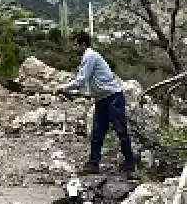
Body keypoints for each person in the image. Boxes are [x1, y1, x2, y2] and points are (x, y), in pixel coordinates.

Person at [57, 31, 136, 176]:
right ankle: (93, 163)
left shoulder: (90, 56)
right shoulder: (88, 57)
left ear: (83, 44)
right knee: (97, 133)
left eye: (76, 44)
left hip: (113, 97)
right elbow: (84, 81)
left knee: (121, 131)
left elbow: (81, 80)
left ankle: (130, 164)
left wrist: (63, 88)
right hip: (102, 99)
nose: (75, 48)